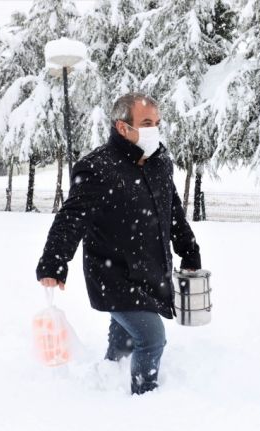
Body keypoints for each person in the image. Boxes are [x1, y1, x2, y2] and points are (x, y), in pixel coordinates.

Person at [36, 92, 202, 395]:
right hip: (112, 275)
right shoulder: (97, 167)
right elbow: (71, 218)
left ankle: (108, 384)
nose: (155, 129)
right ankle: (144, 398)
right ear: (122, 127)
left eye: (158, 122)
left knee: (125, 338)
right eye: (147, 122)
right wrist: (53, 261)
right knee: (151, 337)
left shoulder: (160, 162)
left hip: (150, 270)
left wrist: (189, 251)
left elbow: (172, 210)